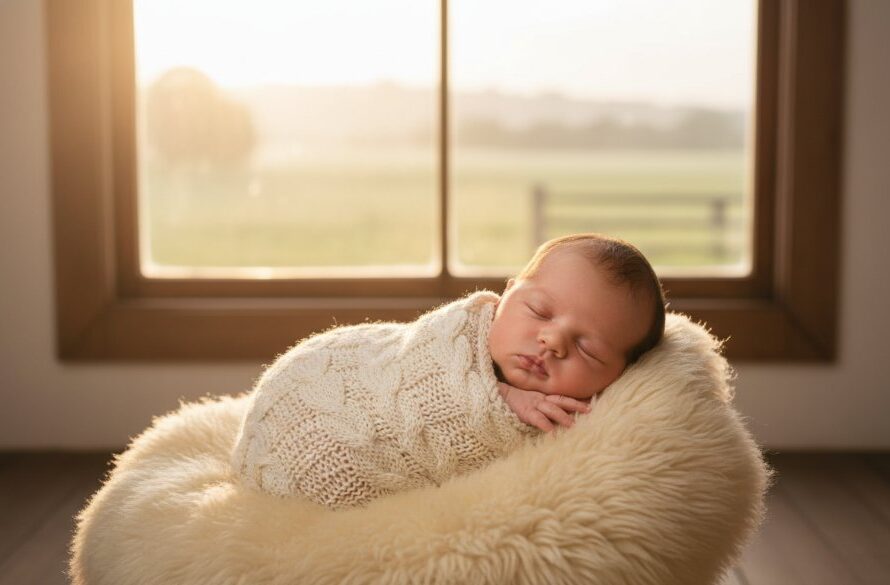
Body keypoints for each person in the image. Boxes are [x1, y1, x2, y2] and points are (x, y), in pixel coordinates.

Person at [231, 233, 666, 509]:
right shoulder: (459, 335)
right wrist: (503, 400)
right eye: (539, 310)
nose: (553, 341)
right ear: (506, 295)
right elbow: (415, 371)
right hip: (316, 392)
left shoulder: (584, 421)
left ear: (620, 375)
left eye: (588, 349)